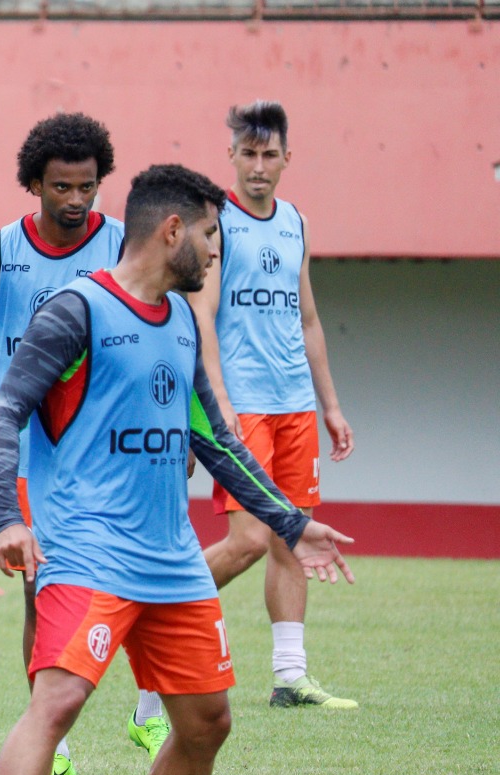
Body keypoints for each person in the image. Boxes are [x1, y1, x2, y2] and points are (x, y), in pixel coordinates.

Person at [0, 163, 354, 775]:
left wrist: (292, 523)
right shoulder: (76, 310)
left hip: (173, 560)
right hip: (88, 550)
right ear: (173, 230)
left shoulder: (182, 320)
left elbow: (215, 441)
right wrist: (7, 517)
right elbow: (5, 414)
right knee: (58, 703)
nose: (216, 253)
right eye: (211, 236)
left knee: (208, 723)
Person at [0, 112, 143, 775]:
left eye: (87, 186)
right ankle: (49, 732)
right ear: (35, 184)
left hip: (108, 450)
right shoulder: (0, 251)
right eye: (62, 187)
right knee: (43, 590)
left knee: (137, 576)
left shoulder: (123, 245)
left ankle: (149, 708)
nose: (75, 200)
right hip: (29, 455)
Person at [186, 101, 357, 710]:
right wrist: (219, 399)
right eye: (249, 154)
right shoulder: (216, 223)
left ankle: (291, 676)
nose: (259, 166)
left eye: (269, 154)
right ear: (231, 156)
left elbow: (307, 319)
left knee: (291, 538)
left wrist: (330, 405)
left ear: (287, 158)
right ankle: (155, 609)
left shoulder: (296, 223)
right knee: (251, 539)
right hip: (244, 408)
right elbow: (202, 316)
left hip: (296, 406)